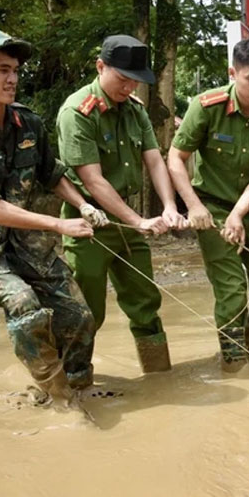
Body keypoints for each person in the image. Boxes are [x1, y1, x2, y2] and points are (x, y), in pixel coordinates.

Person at [0, 29, 98, 407]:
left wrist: (84, 205)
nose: (12, 79)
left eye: (15, 71)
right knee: (23, 303)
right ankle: (58, 398)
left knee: (78, 315)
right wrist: (60, 224)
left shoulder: (29, 124)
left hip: (25, 243)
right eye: (2, 70)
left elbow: (52, 172)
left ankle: (81, 388)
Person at [55, 35, 184, 387]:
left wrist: (170, 206)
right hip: (90, 228)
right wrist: (138, 220)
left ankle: (160, 381)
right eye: (122, 78)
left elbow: (155, 160)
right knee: (86, 314)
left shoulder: (135, 110)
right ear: (100, 67)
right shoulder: (76, 113)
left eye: (135, 80)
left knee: (146, 303)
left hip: (131, 230)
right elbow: (93, 181)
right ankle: (73, 386)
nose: (128, 87)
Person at [167, 39, 249, 372]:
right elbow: (176, 159)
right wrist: (192, 207)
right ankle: (236, 369)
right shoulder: (206, 106)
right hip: (210, 209)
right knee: (233, 295)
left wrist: (239, 213)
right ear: (233, 73)